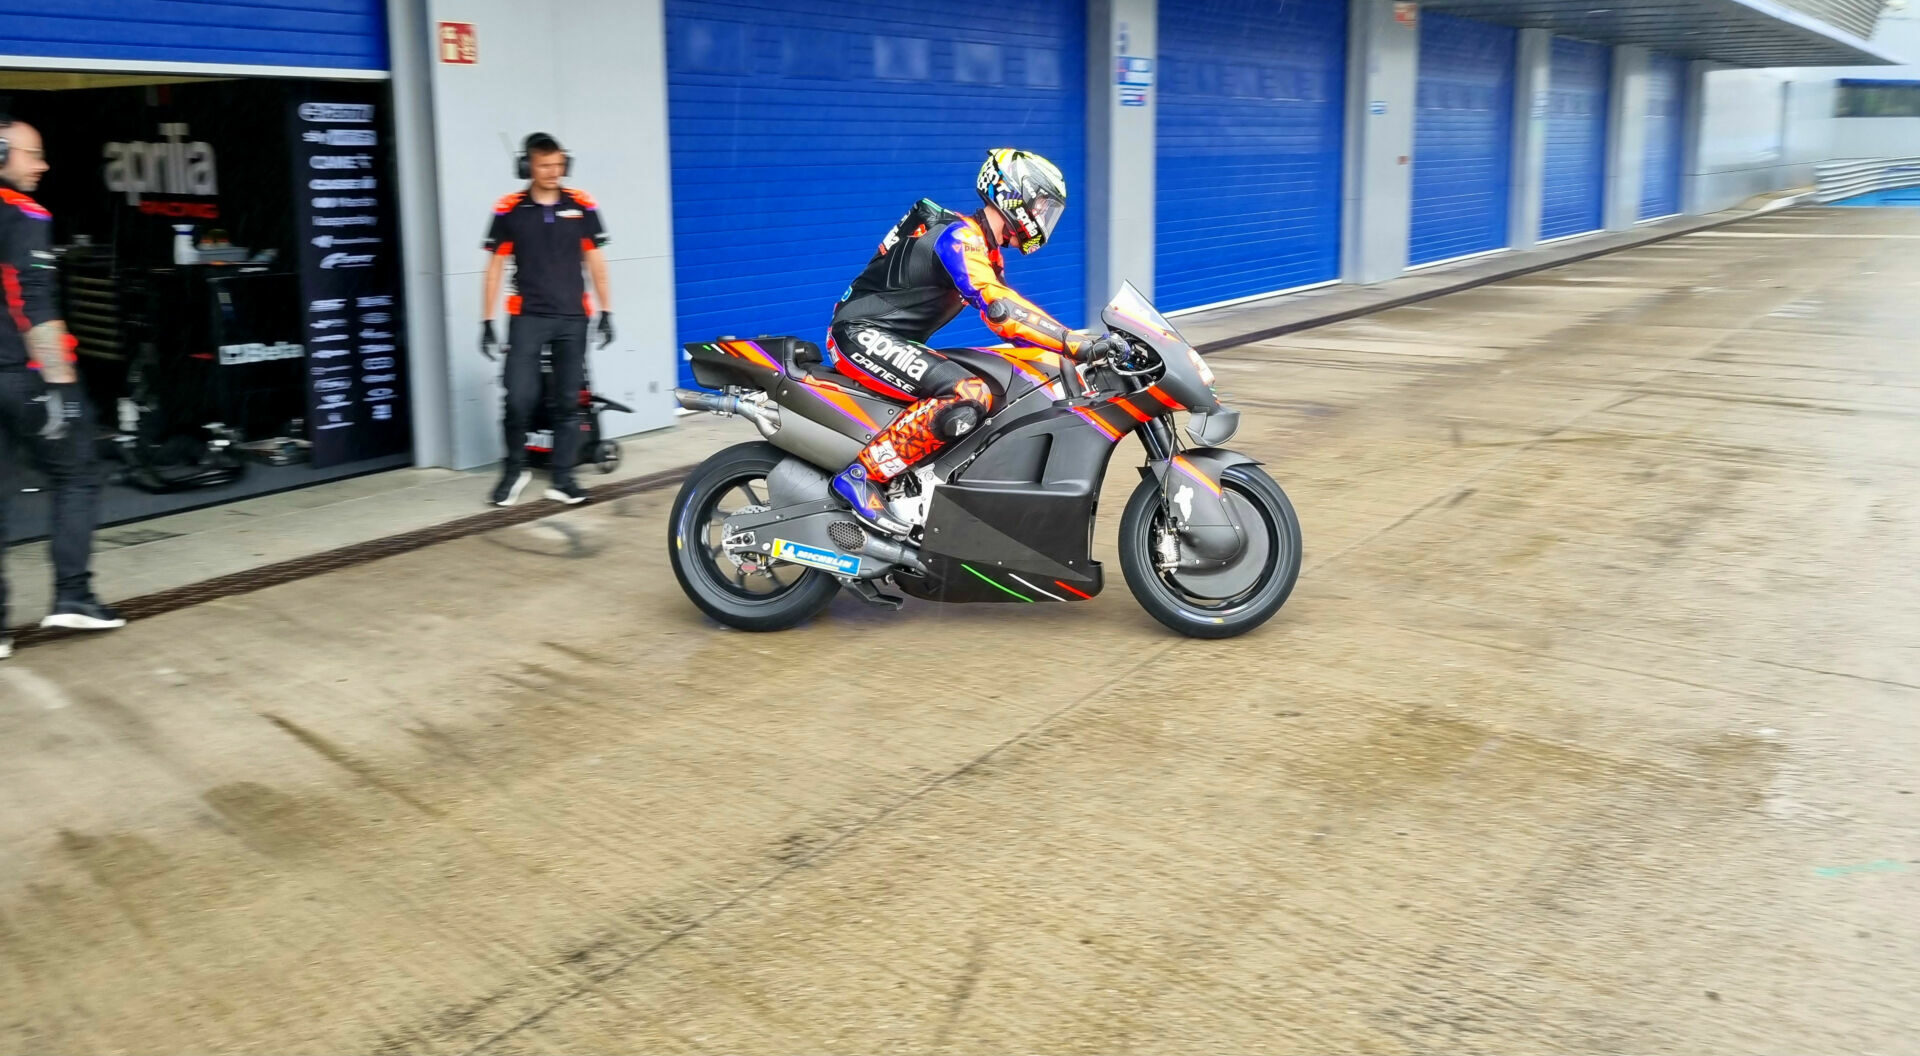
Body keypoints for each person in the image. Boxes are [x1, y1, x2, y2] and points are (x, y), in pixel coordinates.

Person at [826, 148, 1119, 536]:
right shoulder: (959, 237)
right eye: (1043, 206)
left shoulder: (984, 249)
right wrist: (1071, 342)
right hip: (860, 334)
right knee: (968, 392)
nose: (1045, 218)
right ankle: (862, 476)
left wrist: (1066, 348)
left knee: (1003, 384)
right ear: (1013, 193)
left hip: (890, 338)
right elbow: (1002, 311)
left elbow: (1011, 313)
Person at [0, 114, 125, 659]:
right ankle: (73, 595)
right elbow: (33, 300)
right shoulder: (23, 213)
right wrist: (60, 387)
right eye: (33, 154)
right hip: (21, 377)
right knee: (78, 473)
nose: (43, 164)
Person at [479, 132, 613, 507]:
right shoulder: (508, 210)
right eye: (544, 166)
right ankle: (514, 470)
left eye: (558, 165)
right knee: (519, 398)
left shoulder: (582, 206)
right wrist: (486, 320)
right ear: (527, 166)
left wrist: (606, 311)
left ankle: (563, 478)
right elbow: (494, 269)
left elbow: (596, 262)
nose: (553, 172)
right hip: (528, 318)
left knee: (569, 402)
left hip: (573, 318)